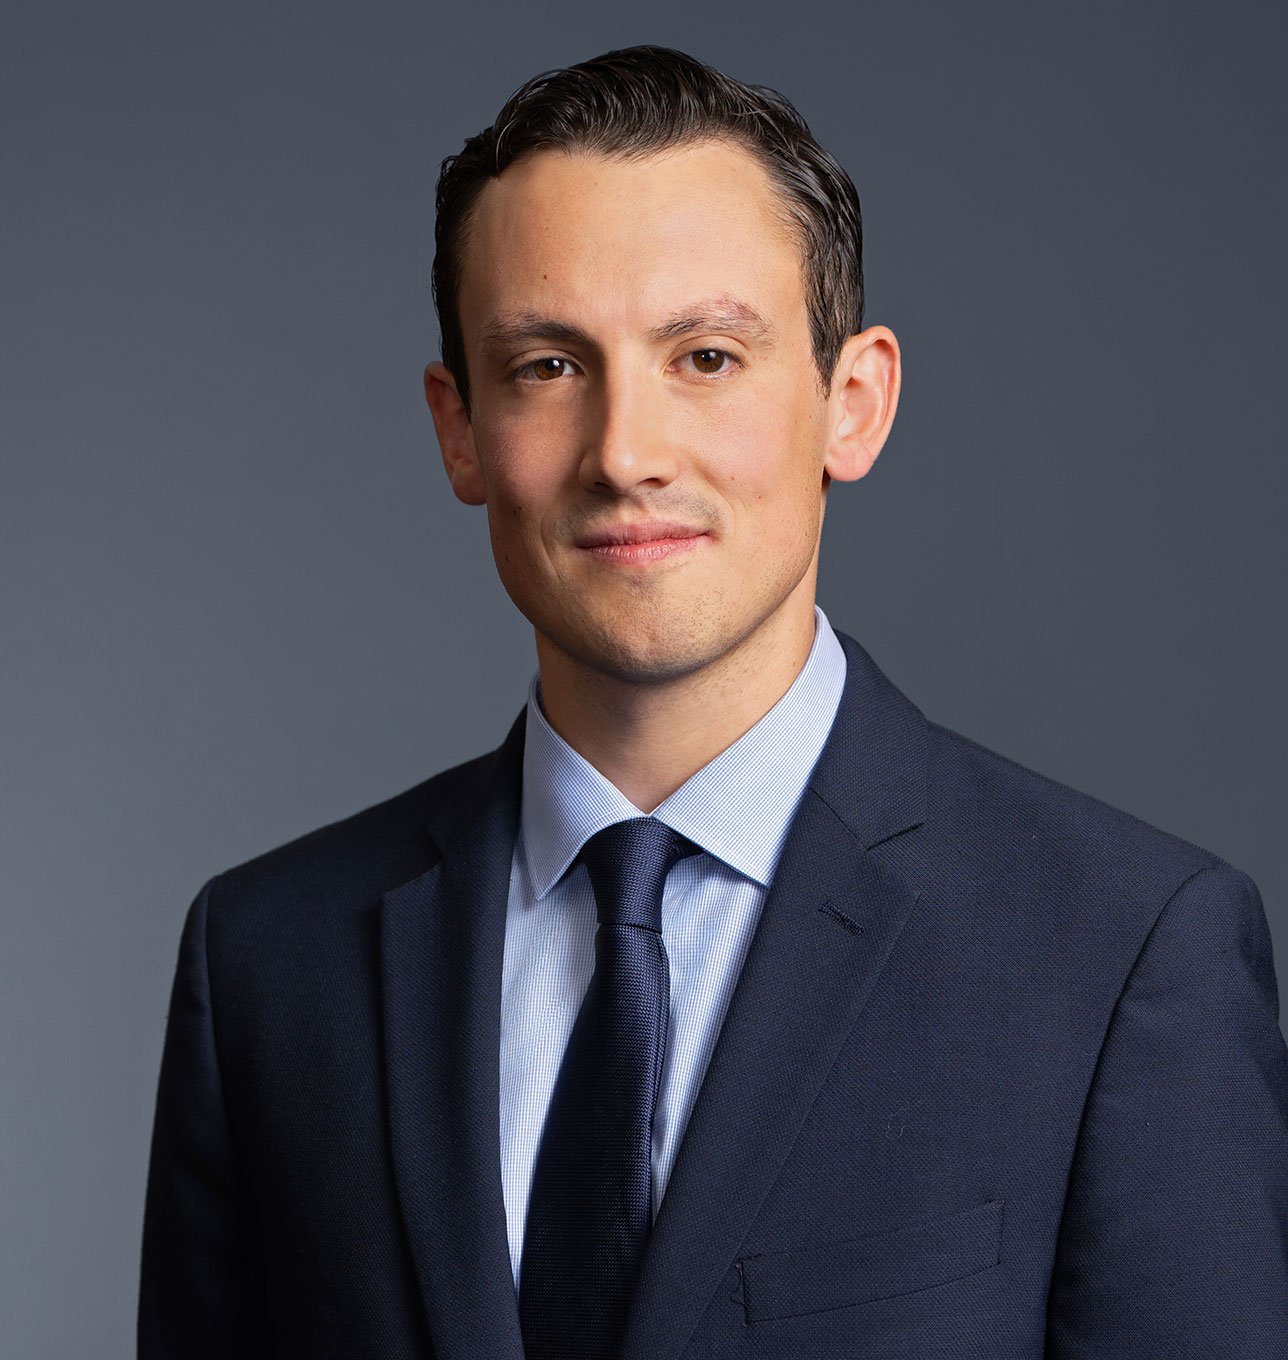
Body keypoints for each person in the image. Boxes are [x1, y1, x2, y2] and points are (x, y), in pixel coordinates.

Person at [137, 44, 1288, 1360]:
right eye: (547, 367)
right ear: (460, 429)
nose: (626, 452)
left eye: (706, 356)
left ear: (853, 403)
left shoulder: (1122, 956)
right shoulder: (270, 961)